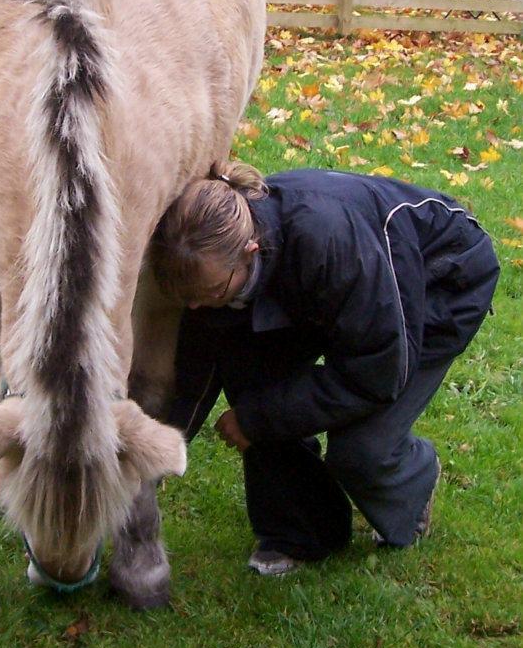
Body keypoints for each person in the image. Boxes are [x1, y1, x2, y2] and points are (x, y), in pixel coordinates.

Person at [152, 162, 500, 575]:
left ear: (251, 251)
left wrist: (258, 420)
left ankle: (412, 479)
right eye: (186, 298)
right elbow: (197, 366)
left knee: (360, 451)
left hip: (439, 282)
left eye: (209, 293)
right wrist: (157, 454)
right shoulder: (212, 263)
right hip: (331, 296)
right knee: (253, 382)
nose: (194, 307)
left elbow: (375, 373)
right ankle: (304, 533)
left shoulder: (330, 244)